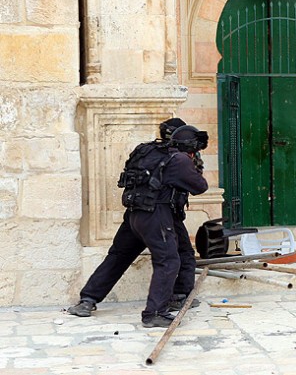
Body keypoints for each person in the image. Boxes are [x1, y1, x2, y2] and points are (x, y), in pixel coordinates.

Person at [68, 120, 209, 328]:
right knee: (169, 260)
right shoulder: (179, 160)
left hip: (136, 213)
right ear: (190, 147)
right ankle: (155, 313)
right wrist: (195, 167)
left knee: (119, 256)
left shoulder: (149, 151)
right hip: (157, 215)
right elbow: (200, 187)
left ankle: (87, 300)